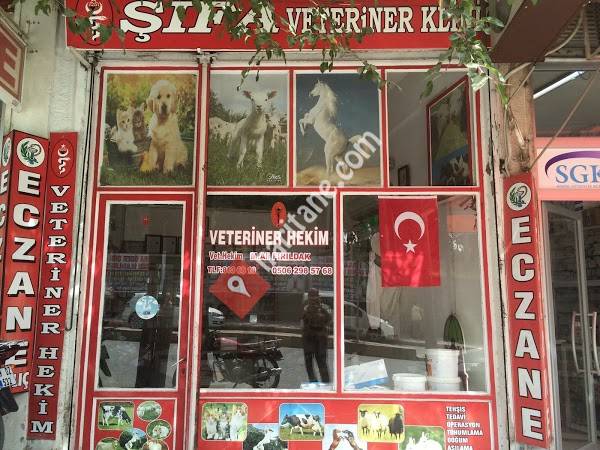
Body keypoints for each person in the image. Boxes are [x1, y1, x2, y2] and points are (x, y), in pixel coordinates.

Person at [302, 288, 332, 383]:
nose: (313, 300)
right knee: (309, 363)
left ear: (318, 297)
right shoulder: (306, 308)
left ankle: (326, 383)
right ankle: (314, 383)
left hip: (320, 339)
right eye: (311, 298)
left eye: (314, 298)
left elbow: (329, 320)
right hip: (309, 338)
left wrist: (320, 309)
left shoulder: (324, 308)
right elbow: (303, 321)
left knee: (321, 362)